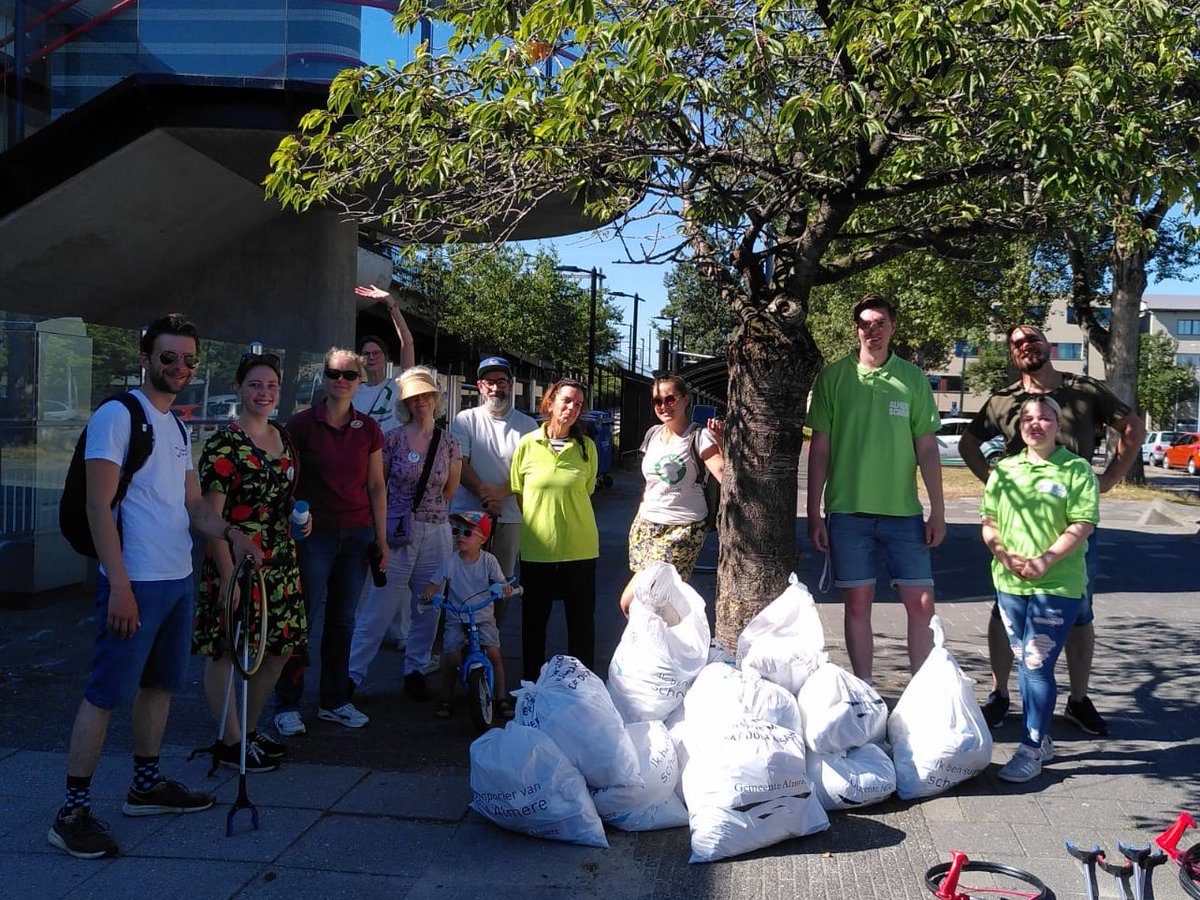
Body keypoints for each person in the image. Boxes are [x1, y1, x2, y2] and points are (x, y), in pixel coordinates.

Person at [50, 314, 263, 860]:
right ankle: (71, 812)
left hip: (176, 579)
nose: (180, 368)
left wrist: (233, 534)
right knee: (105, 694)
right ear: (145, 358)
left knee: (160, 687)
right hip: (135, 582)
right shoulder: (118, 416)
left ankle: (145, 787)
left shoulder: (176, 425)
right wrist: (118, 583)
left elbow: (194, 506)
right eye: (169, 357)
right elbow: (99, 508)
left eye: (189, 359)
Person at [959, 323, 1145, 736]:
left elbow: (1133, 428)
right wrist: (993, 481)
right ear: (1013, 354)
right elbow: (968, 444)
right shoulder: (1003, 400)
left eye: (1033, 339)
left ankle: (1078, 700)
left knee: (1080, 612)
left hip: (1070, 523)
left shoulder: (1084, 390)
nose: (1026, 346)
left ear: (1048, 345)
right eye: (1018, 344)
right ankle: (1000, 695)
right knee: (1003, 611)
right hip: (1015, 526)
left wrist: (1110, 480)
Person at [806, 294, 946, 683]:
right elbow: (820, 449)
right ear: (857, 329)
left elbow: (927, 448)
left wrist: (938, 509)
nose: (873, 330)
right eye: (866, 323)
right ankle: (865, 691)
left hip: (903, 513)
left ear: (892, 327)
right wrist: (814, 511)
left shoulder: (913, 378)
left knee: (921, 604)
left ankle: (921, 694)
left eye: (880, 322)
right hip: (847, 512)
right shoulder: (834, 377)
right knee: (857, 603)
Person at [193, 352, 307, 773]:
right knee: (225, 651)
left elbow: (283, 495)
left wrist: (300, 518)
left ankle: (250, 729)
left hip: (280, 561)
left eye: (271, 386)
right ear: (240, 388)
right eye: (255, 385)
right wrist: (229, 578)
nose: (264, 393)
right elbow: (211, 516)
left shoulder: (282, 435)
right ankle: (230, 741)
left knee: (278, 649)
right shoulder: (225, 443)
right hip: (236, 562)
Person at [980, 396, 1099, 783]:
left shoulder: (1077, 470)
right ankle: (1041, 737)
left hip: (1057, 585)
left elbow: (1082, 525)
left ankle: (1031, 747)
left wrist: (1045, 560)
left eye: (1045, 417)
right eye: (1028, 418)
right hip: (1010, 582)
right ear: (1019, 427)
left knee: (1035, 662)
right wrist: (1003, 554)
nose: (1036, 424)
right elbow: (989, 521)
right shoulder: (1005, 470)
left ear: (1057, 424)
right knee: (1025, 661)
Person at [273, 348, 388, 735]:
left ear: (359, 380)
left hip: (356, 535)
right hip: (314, 536)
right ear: (324, 377)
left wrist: (382, 539)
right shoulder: (301, 425)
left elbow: (375, 485)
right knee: (300, 619)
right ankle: (286, 702)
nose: (341, 381)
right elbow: (286, 481)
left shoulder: (369, 428)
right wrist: (294, 513)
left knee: (343, 621)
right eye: (334, 374)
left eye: (349, 375)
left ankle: (334, 700)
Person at [348, 366, 462, 703]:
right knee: (380, 606)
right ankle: (352, 674)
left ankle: (415, 668)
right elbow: (377, 485)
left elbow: (450, 489)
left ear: (435, 399)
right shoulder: (392, 439)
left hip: (437, 529)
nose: (421, 402)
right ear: (406, 403)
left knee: (427, 605)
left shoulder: (449, 442)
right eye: (414, 398)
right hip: (398, 531)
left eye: (426, 395)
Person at [510, 377, 599, 682]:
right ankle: (532, 688)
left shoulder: (586, 447)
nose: (572, 408)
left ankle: (583, 690)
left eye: (578, 403)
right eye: (566, 400)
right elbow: (520, 492)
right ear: (550, 402)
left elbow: (586, 490)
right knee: (533, 625)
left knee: (581, 627)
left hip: (580, 548)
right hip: (538, 550)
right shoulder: (527, 444)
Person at [619, 373, 724, 616]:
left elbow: (723, 474)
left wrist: (723, 445)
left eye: (670, 399)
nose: (664, 406)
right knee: (659, 604)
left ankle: (666, 645)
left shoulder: (699, 436)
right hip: (646, 526)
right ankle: (669, 648)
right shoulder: (653, 434)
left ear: (685, 400)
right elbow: (651, 482)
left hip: (682, 529)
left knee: (632, 602)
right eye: (657, 401)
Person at [449, 356, 537, 614]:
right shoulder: (465, 419)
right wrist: (485, 495)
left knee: (501, 584)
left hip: (508, 517)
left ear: (511, 385)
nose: (496, 388)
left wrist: (500, 492)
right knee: (460, 581)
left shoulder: (528, 426)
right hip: (466, 516)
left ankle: (491, 642)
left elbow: (530, 471)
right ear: (480, 386)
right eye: (490, 382)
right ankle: (457, 646)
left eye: (502, 381)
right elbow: (460, 464)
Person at [419, 511, 514, 720]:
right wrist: (429, 593)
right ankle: (446, 697)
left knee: (495, 655)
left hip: (483, 617)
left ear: (483, 539)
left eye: (467, 532)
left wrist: (504, 588)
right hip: (457, 617)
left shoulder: (488, 561)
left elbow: (500, 581)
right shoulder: (450, 562)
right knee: (451, 657)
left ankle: (500, 697)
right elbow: (435, 583)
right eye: (457, 531)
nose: (460, 536)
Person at [351, 284, 416, 433]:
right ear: (360, 360)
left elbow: (407, 343)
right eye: (366, 354)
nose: (371, 357)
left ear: (386, 358)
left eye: (376, 353)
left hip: (392, 453)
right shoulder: (353, 392)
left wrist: (390, 302)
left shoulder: (398, 383)